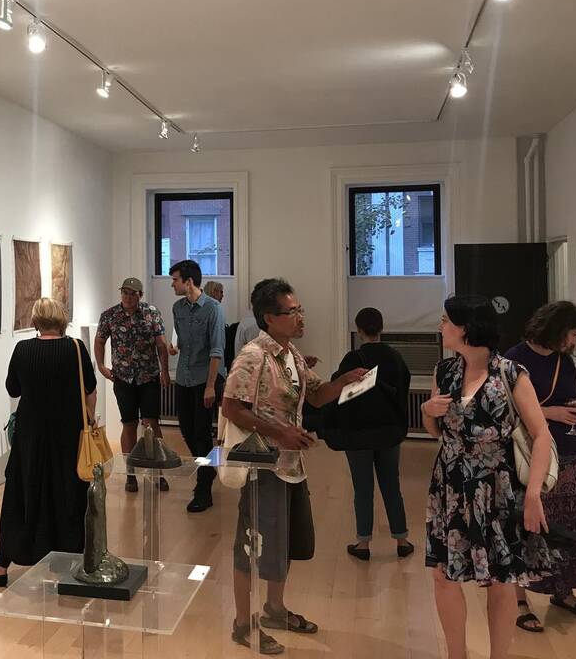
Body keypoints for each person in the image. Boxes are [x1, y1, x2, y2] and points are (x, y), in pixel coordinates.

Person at [222, 278, 366, 655]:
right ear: (269, 318)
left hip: (289, 464)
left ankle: (274, 608)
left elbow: (316, 396)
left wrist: (345, 382)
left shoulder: (290, 354)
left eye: (300, 310)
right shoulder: (254, 355)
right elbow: (231, 406)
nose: (301, 317)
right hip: (262, 465)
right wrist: (280, 432)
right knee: (252, 545)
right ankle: (242, 623)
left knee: (283, 542)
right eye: (292, 312)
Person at [422, 295, 557, 659]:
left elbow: (541, 434)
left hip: (497, 487)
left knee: (500, 579)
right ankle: (456, 655)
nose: (440, 327)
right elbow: (436, 433)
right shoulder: (444, 371)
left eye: (446, 321)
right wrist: (427, 411)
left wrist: (533, 494)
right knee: (443, 574)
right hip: (450, 485)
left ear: (466, 328)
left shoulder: (510, 373)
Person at [506, 301, 576, 632]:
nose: (575, 341)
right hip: (530, 457)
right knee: (528, 528)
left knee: (567, 528)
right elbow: (504, 411)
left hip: (569, 453)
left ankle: (563, 591)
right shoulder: (514, 360)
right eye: (574, 333)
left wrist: (575, 407)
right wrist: (550, 413)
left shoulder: (563, 362)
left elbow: (564, 398)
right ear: (557, 329)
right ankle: (520, 601)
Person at [0, 298, 97, 587]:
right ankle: (72, 559)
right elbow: (90, 388)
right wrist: (90, 418)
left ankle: (2, 565)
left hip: (31, 434)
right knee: (69, 491)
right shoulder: (75, 348)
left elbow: (13, 389)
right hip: (68, 434)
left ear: (35, 322)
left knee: (21, 492)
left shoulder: (23, 349)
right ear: (61, 321)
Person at [324, 307, 413, 561]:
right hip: (389, 432)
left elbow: (336, 390)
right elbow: (403, 390)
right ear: (381, 328)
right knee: (391, 485)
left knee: (362, 488)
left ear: (359, 329)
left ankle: (363, 543)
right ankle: (402, 540)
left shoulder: (353, 359)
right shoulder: (395, 357)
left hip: (358, 434)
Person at [94, 277, 171, 493]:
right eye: (125, 293)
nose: (128, 297)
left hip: (148, 377)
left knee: (151, 424)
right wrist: (101, 366)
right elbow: (99, 340)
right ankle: (131, 474)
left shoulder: (151, 313)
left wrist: (164, 370)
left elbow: (161, 345)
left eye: (132, 293)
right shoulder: (109, 315)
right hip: (123, 378)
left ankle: (158, 472)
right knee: (129, 424)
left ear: (140, 295)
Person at [169, 260, 225, 512]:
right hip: (184, 377)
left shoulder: (213, 309)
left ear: (189, 281)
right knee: (186, 429)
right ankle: (209, 467)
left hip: (206, 378)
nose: (172, 284)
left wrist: (211, 387)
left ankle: (203, 489)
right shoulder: (177, 308)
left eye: (175, 280)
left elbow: (216, 351)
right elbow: (182, 340)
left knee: (201, 432)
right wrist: (174, 347)